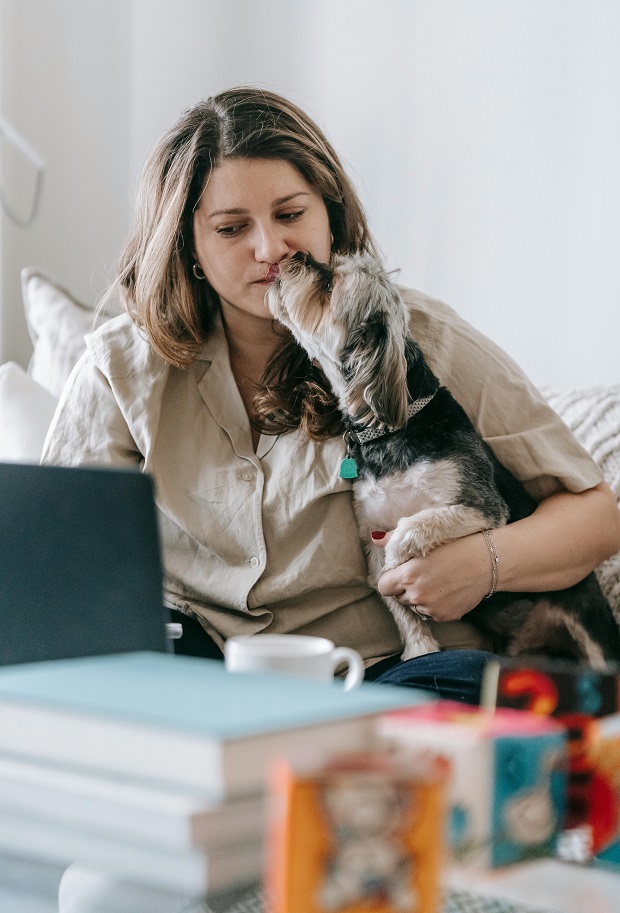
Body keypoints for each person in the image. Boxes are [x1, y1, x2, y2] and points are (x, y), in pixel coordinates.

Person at [42, 87, 620, 704]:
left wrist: (485, 563)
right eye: (232, 229)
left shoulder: (412, 339)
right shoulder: (120, 364)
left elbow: (595, 514)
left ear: (330, 214)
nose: (271, 250)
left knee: (480, 695)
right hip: (196, 659)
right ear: (189, 246)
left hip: (388, 669)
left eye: (291, 215)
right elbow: (54, 551)